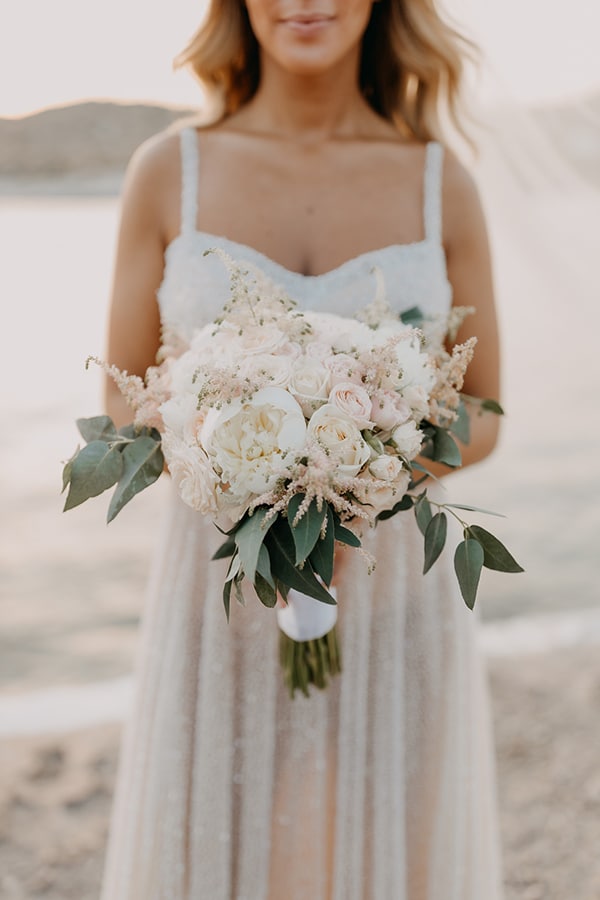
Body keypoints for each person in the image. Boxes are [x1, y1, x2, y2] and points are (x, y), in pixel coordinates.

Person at [101, 2, 503, 897]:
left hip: (397, 591)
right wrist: (257, 478)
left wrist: (359, 466)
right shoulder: (169, 171)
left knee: (385, 852)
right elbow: (123, 407)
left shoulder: (444, 181)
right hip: (219, 598)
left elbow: (485, 409)